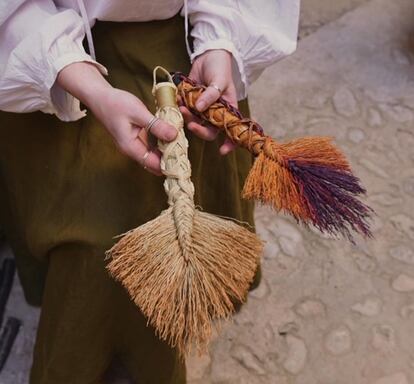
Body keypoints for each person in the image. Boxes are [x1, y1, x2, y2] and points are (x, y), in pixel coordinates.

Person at [0, 1, 300, 383]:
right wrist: (82, 81)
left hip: (182, 37)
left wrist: (219, 42)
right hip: (50, 45)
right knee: (100, 236)